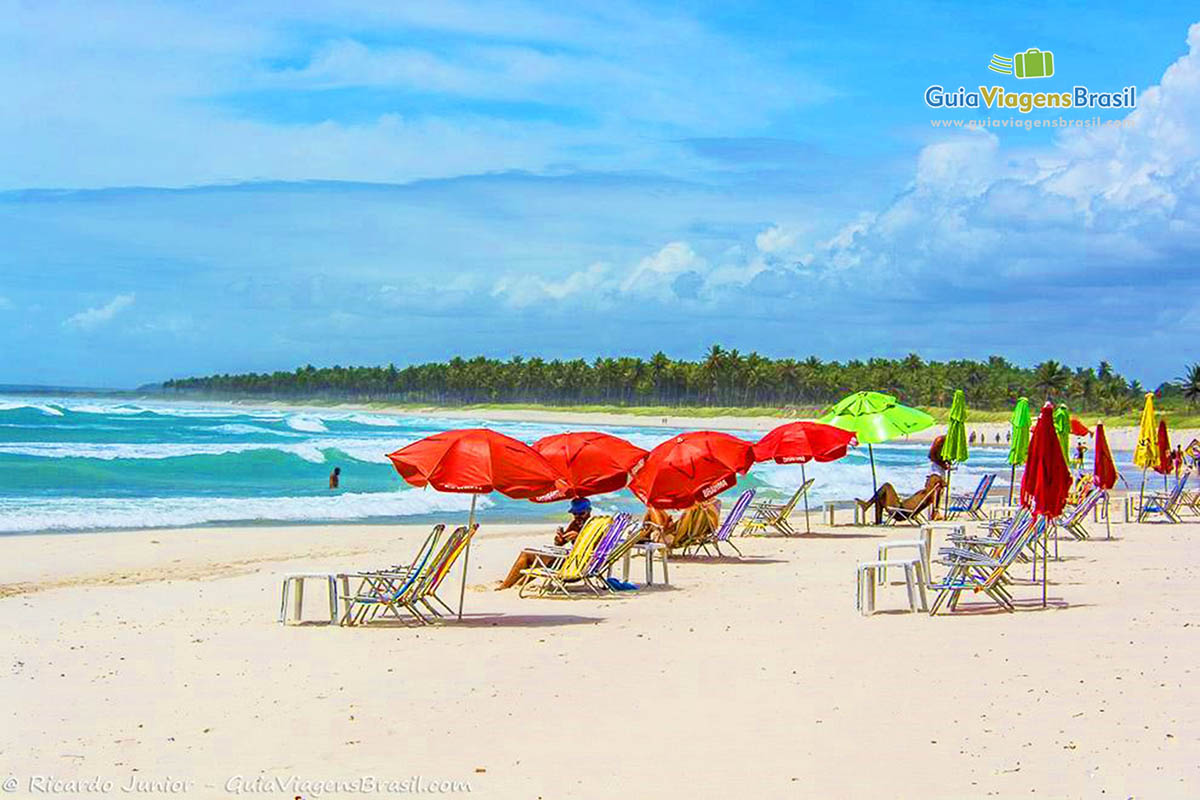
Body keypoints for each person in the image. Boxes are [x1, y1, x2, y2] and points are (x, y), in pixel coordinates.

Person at [496, 497, 592, 590]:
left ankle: (505, 586)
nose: (578, 517)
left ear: (589, 511)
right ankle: (518, 584)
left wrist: (579, 537)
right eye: (575, 514)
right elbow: (560, 544)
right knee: (539, 560)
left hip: (578, 566)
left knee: (526, 554)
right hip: (573, 563)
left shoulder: (593, 527)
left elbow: (595, 548)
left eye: (581, 513)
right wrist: (559, 539)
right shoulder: (575, 524)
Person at [856, 474, 945, 525]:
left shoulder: (929, 496)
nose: (926, 482)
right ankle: (878, 522)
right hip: (901, 508)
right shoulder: (923, 492)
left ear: (933, 484)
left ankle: (867, 505)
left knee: (887, 486)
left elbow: (936, 501)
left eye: (929, 481)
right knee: (880, 497)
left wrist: (939, 487)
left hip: (901, 512)